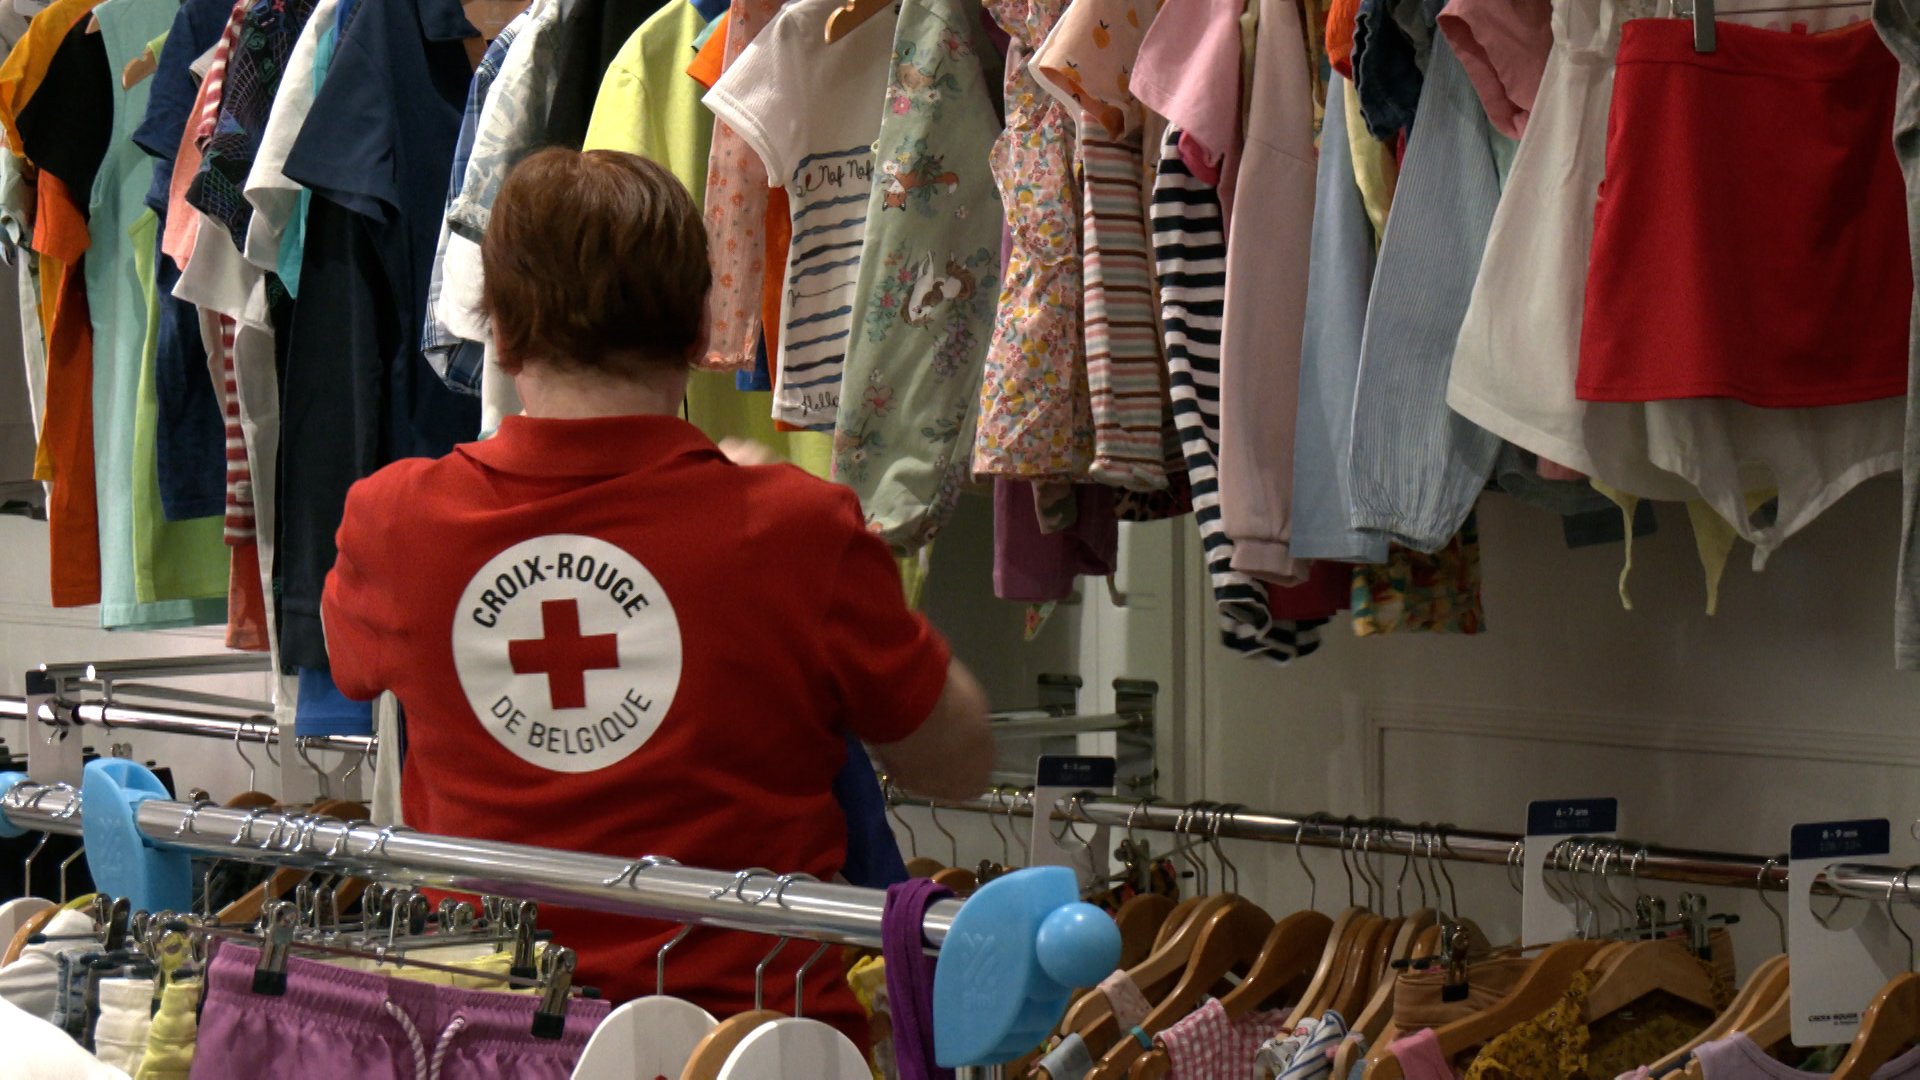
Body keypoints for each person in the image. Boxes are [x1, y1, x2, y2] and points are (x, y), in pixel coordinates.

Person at [320, 147, 994, 1043]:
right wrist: (769, 515)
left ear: (501, 332)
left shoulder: (392, 522)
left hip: (488, 1044)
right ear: (699, 326)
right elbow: (955, 762)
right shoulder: (797, 529)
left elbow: (353, 665)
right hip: (753, 1044)